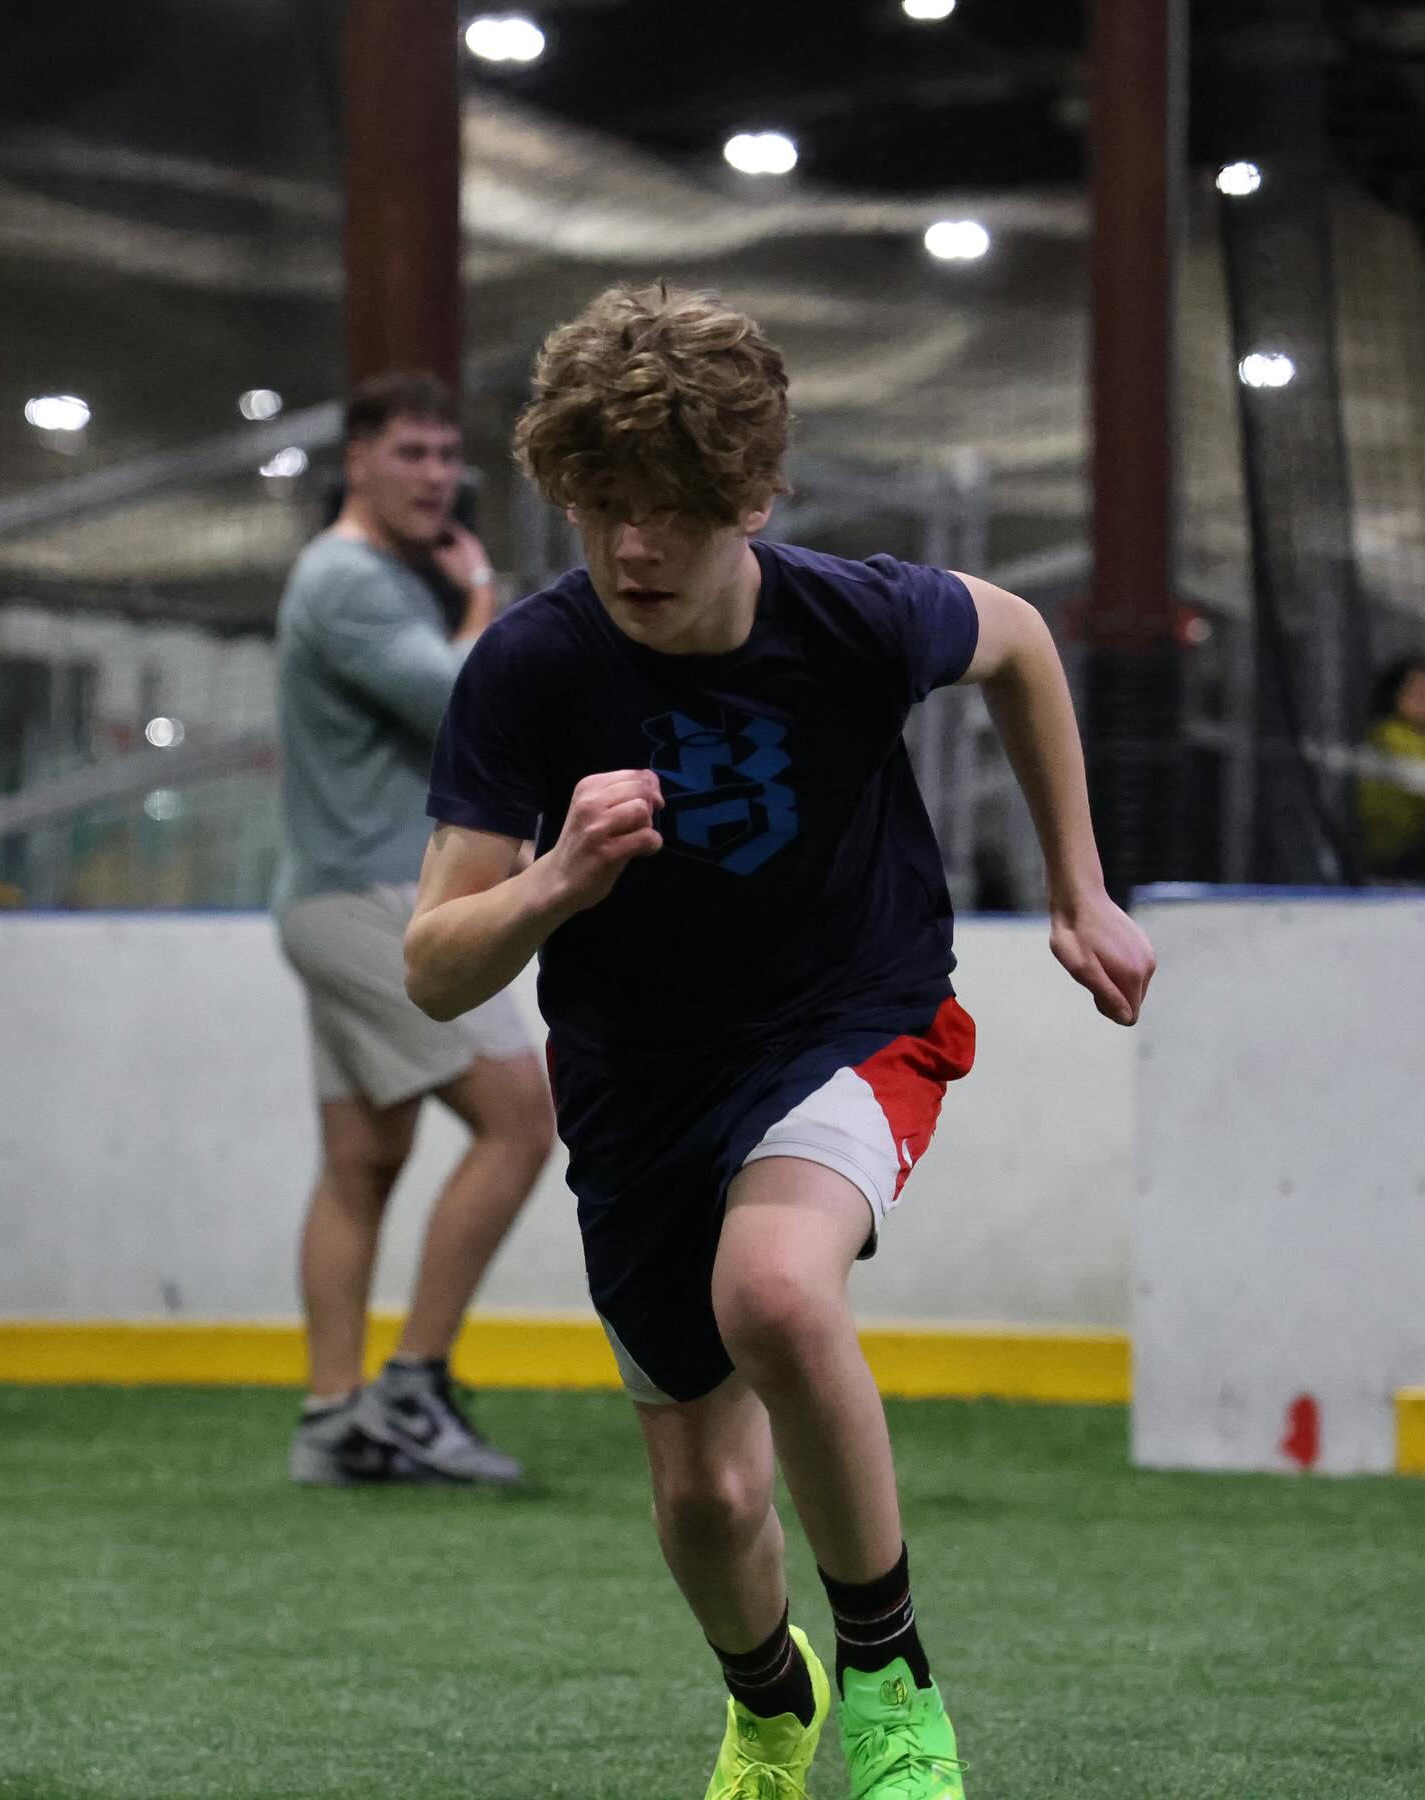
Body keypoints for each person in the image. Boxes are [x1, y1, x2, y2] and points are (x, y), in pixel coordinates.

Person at [403, 287, 1156, 1798]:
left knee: (776, 1292)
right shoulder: (534, 667)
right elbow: (432, 966)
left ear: (753, 497)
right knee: (703, 1497)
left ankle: (891, 1683)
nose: (632, 549)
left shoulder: (856, 617)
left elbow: (1017, 642)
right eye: (602, 507)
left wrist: (1081, 884)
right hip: (635, 1082)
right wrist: (558, 880)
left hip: (852, 1014)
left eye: (673, 512)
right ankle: (770, 1699)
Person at [273, 370, 555, 1487]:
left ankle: (333, 1418)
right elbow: (464, 703)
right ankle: (412, 1387)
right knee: (522, 1119)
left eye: (448, 457)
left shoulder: (365, 577)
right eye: (412, 455)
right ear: (358, 461)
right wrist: (481, 589)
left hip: (335, 893)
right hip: (369, 902)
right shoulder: (348, 581)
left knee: (363, 1161)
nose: (437, 476)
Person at [1357, 655, 1425, 881]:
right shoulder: (1388, 735)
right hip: (1400, 853)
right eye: (1414, 692)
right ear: (1395, 696)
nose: (1423, 698)